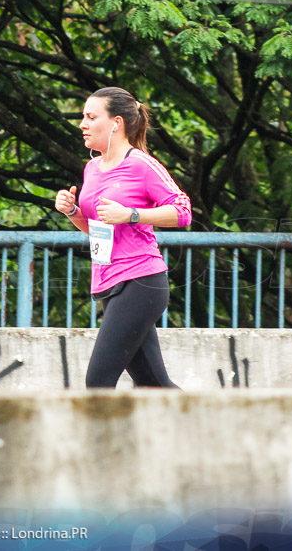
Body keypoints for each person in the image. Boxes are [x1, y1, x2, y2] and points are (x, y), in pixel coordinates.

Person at [53, 86, 192, 388]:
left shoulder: (141, 164)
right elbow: (99, 228)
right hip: (108, 282)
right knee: (154, 385)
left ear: (116, 123)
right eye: (82, 117)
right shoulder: (92, 168)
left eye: (91, 117)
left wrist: (132, 214)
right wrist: (73, 211)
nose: (82, 124)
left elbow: (183, 212)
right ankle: (216, 428)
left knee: (98, 382)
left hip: (140, 281)